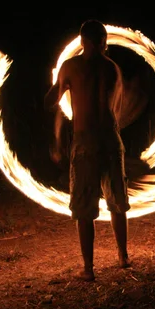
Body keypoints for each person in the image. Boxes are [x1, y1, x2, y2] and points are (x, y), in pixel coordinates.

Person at [44, 20, 130, 281]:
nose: (106, 44)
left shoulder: (70, 67)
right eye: (104, 40)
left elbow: (50, 102)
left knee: (84, 206)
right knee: (117, 201)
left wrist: (58, 82)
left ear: (82, 42)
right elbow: (115, 107)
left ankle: (88, 269)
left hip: (86, 143)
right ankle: (123, 256)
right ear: (98, 41)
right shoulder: (112, 68)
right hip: (111, 141)